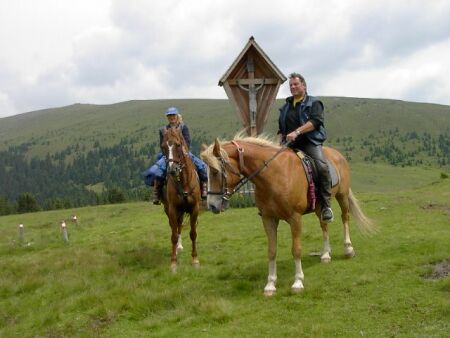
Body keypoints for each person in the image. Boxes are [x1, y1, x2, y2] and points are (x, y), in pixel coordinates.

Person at [278, 73, 333, 223]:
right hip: (289, 145)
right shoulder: (285, 107)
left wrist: (297, 132)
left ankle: (326, 206)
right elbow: (281, 130)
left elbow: (315, 121)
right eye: (291, 85)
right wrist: (279, 143)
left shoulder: (314, 103)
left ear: (304, 86)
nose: (293, 87)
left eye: (296, 84)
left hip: (309, 142)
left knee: (321, 166)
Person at [144, 106, 208, 205]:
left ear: (177, 116)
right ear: (167, 117)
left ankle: (204, 188)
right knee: (158, 170)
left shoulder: (183, 127)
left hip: (183, 152)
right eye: (169, 115)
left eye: (173, 115)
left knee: (201, 166)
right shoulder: (163, 130)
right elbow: (162, 144)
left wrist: (182, 152)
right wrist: (167, 154)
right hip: (168, 153)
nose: (171, 117)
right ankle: (156, 193)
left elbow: (187, 141)